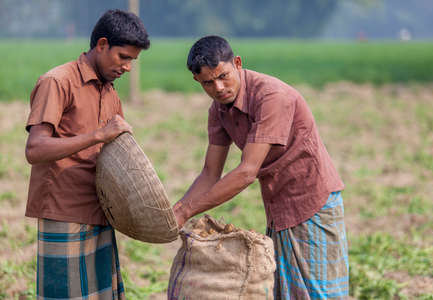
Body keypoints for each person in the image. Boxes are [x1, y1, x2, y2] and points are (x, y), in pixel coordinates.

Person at [173, 36, 349, 299]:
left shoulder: (271, 97)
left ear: (238, 63)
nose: (219, 87)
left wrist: (187, 210)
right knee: (285, 292)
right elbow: (210, 173)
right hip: (278, 205)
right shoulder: (219, 110)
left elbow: (246, 172)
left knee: (320, 292)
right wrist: (175, 211)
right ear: (197, 81)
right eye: (208, 83)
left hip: (313, 202)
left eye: (223, 76)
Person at [24, 9, 150, 299]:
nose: (128, 67)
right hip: (64, 210)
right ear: (102, 44)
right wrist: (96, 135)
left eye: (133, 60)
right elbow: (35, 149)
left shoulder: (111, 93)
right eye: (124, 57)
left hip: (101, 210)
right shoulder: (58, 82)